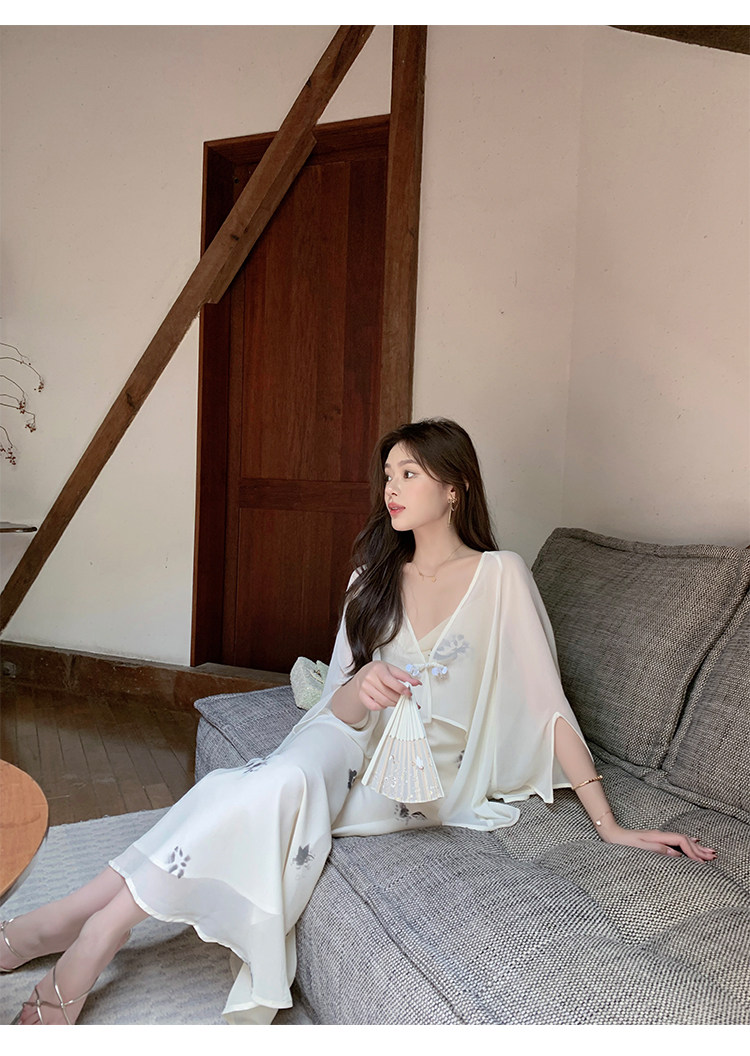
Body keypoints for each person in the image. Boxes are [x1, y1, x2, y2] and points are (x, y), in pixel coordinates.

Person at [1, 418, 717, 1025]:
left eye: (409, 474)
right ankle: (91, 936)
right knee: (284, 778)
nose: (391, 488)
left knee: (248, 789)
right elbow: (335, 704)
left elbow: (546, 704)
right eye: (387, 475)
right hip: (341, 737)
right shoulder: (371, 578)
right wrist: (363, 688)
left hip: (420, 775)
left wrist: (609, 825)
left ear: (455, 486)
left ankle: (76, 922)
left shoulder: (502, 575)